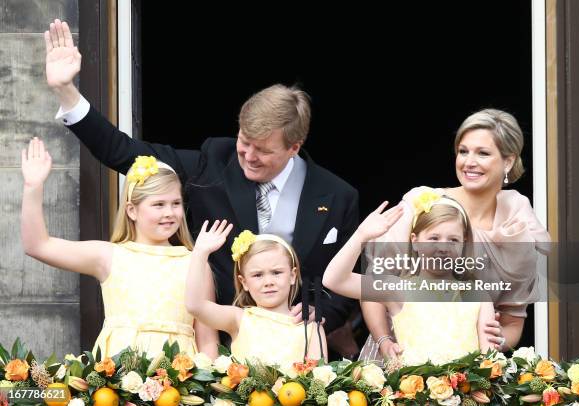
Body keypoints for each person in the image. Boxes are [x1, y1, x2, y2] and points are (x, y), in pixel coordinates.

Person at [44, 20, 359, 338]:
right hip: (213, 350)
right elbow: (122, 152)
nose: (248, 156)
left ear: (294, 147)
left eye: (262, 150)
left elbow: (346, 283)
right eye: (244, 141)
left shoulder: (337, 196)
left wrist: (318, 318)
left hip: (297, 350)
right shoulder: (211, 163)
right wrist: (66, 92)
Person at [360, 109, 551, 360]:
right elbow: (373, 287)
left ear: (508, 161)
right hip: (400, 356)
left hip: (467, 367)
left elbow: (512, 323)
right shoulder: (422, 202)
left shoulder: (516, 223)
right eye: (463, 151)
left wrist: (496, 340)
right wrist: (384, 341)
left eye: (482, 153)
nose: (469, 162)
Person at [21, 139, 217, 358]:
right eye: (159, 204)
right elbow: (37, 245)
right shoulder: (110, 256)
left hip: (179, 382)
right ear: (132, 211)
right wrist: (32, 186)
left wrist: (202, 388)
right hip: (118, 380)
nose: (169, 212)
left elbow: (208, 342)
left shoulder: (195, 263)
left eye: (176, 203)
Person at [323, 196, 496, 365]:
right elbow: (334, 280)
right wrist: (361, 235)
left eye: (453, 240)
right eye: (434, 238)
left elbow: (489, 360)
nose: (443, 247)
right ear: (415, 242)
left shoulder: (479, 296)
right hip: (410, 391)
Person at [185, 224, 327, 367]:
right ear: (244, 282)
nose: (268, 282)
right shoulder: (238, 319)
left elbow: (319, 381)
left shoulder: (310, 326)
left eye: (277, 272)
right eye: (258, 275)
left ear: (292, 275)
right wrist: (200, 253)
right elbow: (194, 306)